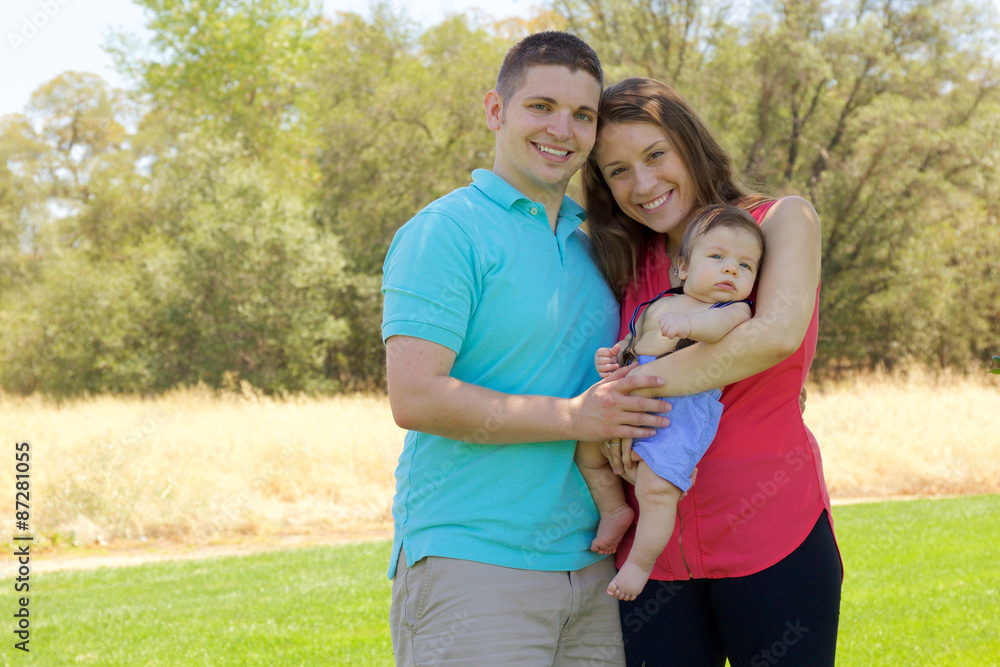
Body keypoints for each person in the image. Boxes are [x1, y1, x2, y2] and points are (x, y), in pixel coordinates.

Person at [381, 34, 673, 666]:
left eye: (582, 115)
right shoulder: (445, 232)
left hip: (594, 566)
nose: (561, 130)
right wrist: (573, 418)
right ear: (496, 110)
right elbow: (415, 397)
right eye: (541, 106)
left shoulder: (594, 245)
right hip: (472, 561)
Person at [582, 77, 842, 666]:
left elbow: (772, 335)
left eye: (656, 154)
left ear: (690, 143)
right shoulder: (627, 260)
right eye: (618, 170)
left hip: (774, 535)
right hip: (654, 556)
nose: (643, 184)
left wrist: (630, 390)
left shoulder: (781, 221)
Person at [577, 204, 764, 602]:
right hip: (631, 398)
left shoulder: (732, 310)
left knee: (657, 489)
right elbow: (632, 343)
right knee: (587, 451)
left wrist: (689, 325)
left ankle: (639, 565)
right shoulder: (657, 305)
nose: (731, 270)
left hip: (680, 409)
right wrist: (613, 356)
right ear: (682, 268)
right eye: (717, 257)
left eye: (745, 265)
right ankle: (614, 509)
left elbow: (716, 330)